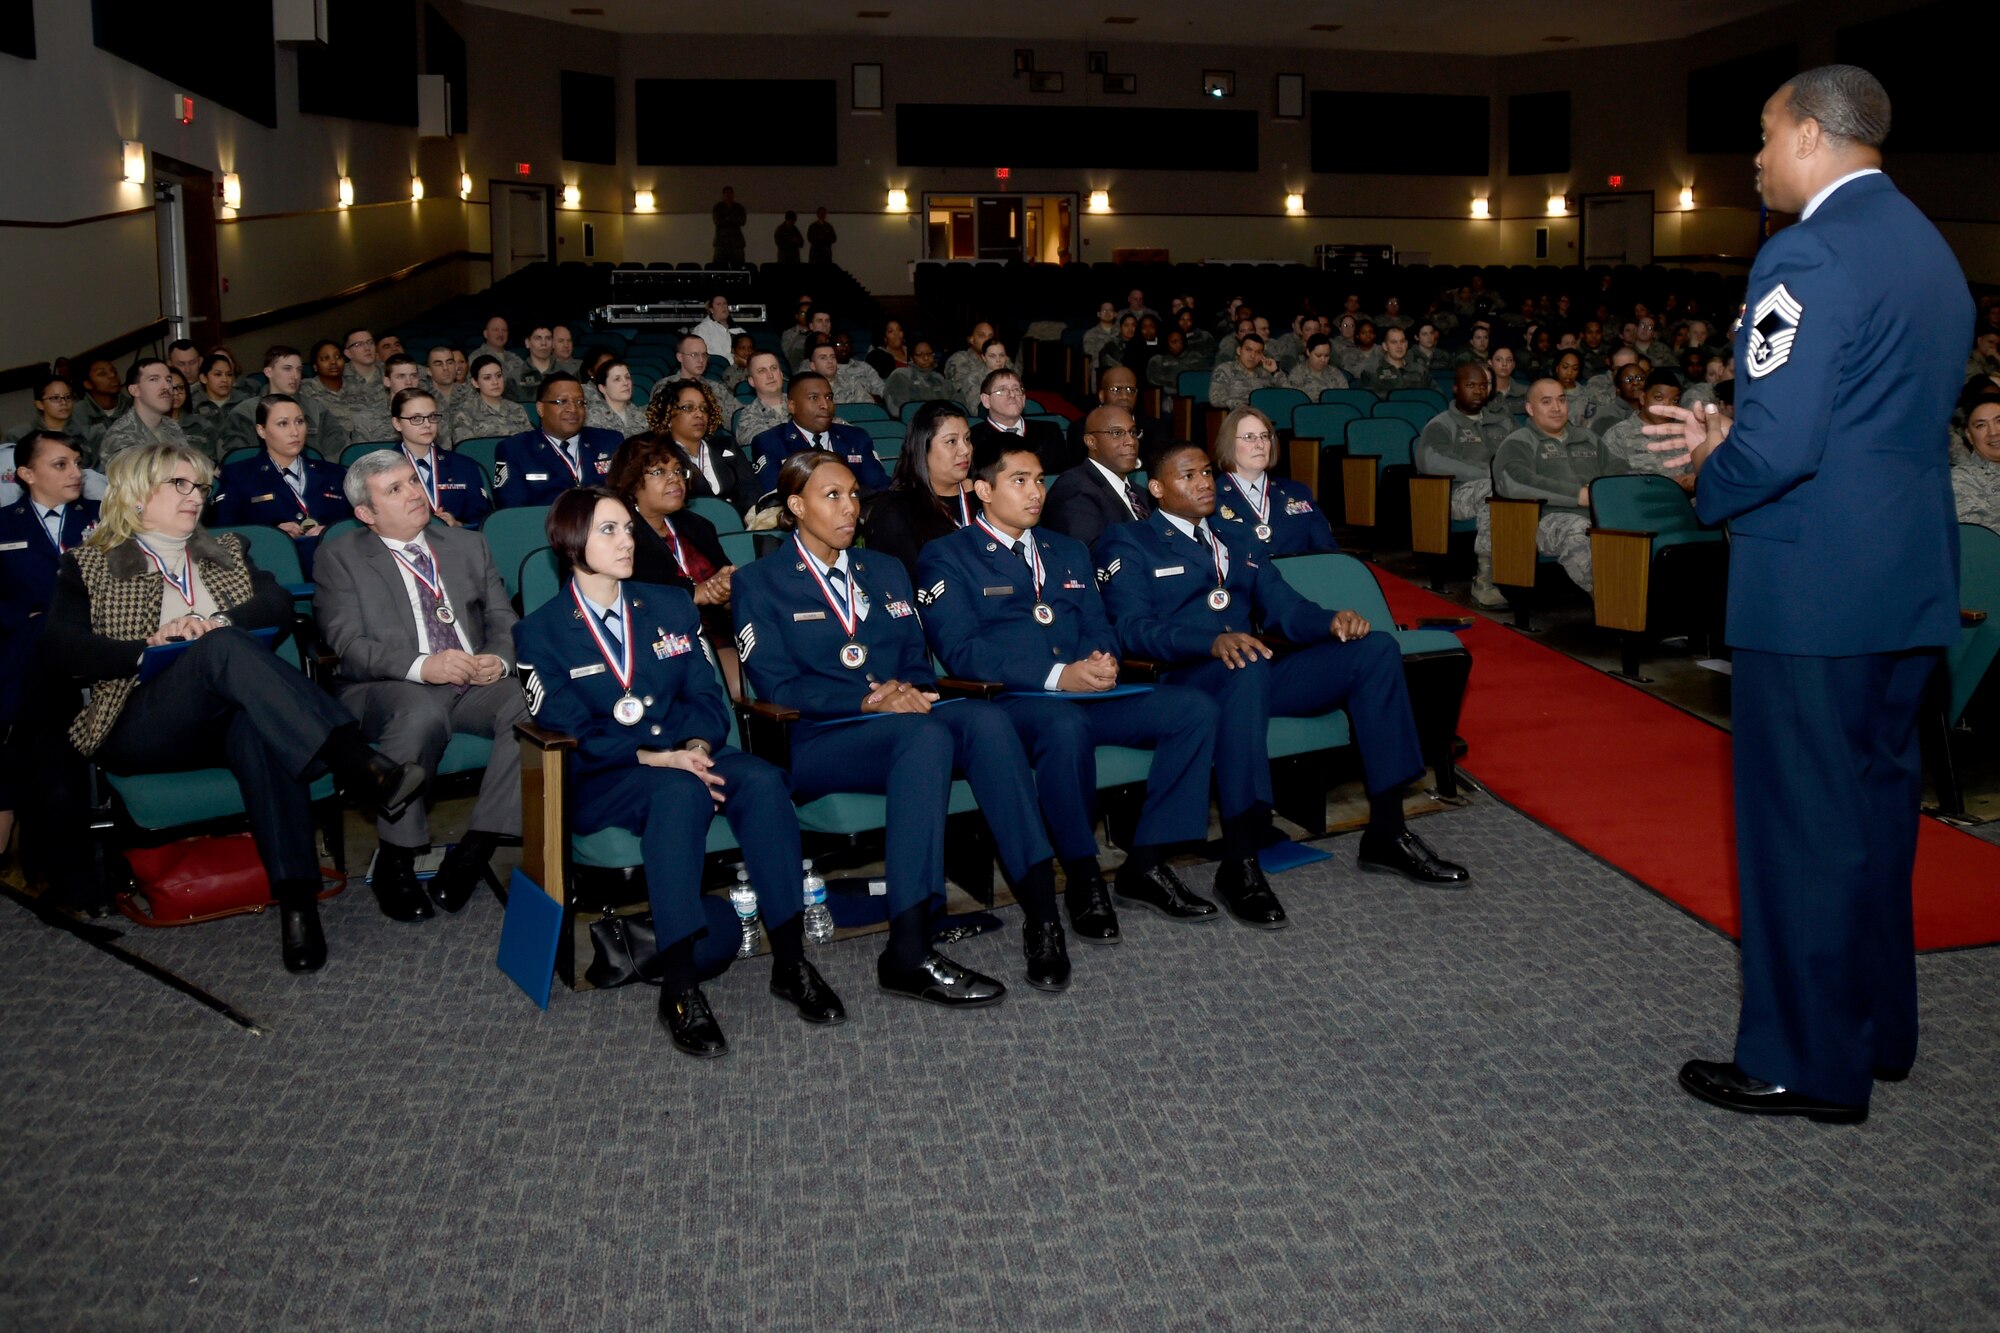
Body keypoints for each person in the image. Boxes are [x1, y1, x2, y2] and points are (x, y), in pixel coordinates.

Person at [1646, 67, 1971, 1126]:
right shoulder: (1928, 247)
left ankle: (1800, 1061)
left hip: (1812, 592)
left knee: (1797, 829)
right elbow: (1862, 426)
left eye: (1760, 133)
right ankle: (1872, 1030)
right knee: (1874, 817)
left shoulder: (1806, 248)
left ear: (1811, 135)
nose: (1750, 157)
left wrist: (1705, 474)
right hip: (1903, 582)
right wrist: (1739, 441)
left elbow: (1783, 444)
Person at [39, 443, 425, 971]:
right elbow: (59, 649)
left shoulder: (225, 549)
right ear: (135, 493)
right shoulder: (90, 565)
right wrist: (147, 647)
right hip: (140, 721)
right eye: (179, 484)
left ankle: (297, 904)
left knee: (256, 728)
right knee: (218, 649)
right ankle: (357, 760)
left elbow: (278, 603)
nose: (194, 496)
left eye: (198, 486)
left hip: (226, 720)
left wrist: (215, 618)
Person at [732, 451, 1069, 999]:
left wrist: (907, 689)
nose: (850, 509)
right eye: (832, 496)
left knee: (985, 720)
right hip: (820, 737)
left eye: (854, 495)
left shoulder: (883, 569)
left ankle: (1041, 915)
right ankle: (908, 951)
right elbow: (778, 688)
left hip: (902, 721)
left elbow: (916, 661)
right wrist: (867, 701)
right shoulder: (760, 581)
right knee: (927, 735)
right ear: (796, 506)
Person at [516, 489, 841, 1054]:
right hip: (610, 775)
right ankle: (682, 989)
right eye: (609, 531)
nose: (627, 542)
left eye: (627, 528)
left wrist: (691, 743)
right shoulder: (539, 632)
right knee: (677, 794)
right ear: (570, 543)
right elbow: (570, 729)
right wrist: (653, 756)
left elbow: (707, 695)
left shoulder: (669, 606)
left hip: (690, 752)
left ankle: (791, 960)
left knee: (762, 780)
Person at [1094, 439, 1467, 926]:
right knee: (1245, 663)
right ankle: (1241, 861)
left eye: (1207, 472)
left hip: (1250, 675)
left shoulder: (1236, 539)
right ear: (1158, 489)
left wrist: (1333, 621)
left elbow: (1287, 609)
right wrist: (1207, 643)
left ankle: (1388, 832)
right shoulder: (1129, 542)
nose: (1204, 482)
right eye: (1188, 476)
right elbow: (1130, 630)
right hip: (1183, 680)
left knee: (1374, 650)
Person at [918, 434, 1222, 942]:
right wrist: (1058, 677)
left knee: (1193, 708)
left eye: (1039, 480)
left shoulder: (1068, 549)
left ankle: (1146, 861)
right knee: (1065, 725)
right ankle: (1083, 874)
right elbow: (962, 650)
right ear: (983, 490)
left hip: (1086, 690)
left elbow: (1099, 623)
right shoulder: (949, 555)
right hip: (1013, 702)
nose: (1036, 492)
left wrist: (1102, 659)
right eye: (1019, 481)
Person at [315, 451, 523, 921]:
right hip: (386, 686)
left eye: (413, 481)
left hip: (471, 681)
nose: (414, 493)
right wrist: (422, 666)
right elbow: (347, 644)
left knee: (529, 705)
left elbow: (501, 617)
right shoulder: (341, 556)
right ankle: (397, 860)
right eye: (395, 489)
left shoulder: (466, 545)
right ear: (365, 514)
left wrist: (499, 658)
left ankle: (476, 847)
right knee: (420, 712)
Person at [0, 431, 99, 860]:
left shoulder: (104, 517)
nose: (76, 472)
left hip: (99, 639)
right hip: (25, 647)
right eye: (61, 464)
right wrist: (24, 619)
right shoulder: (3, 525)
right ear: (25, 474)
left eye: (77, 462)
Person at [607, 432, 739, 690]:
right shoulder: (621, 537)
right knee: (736, 682)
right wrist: (695, 593)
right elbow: (632, 596)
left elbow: (725, 580)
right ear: (632, 482)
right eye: (659, 472)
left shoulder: (698, 526)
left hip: (717, 630)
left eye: (678, 471)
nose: (674, 479)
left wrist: (726, 591)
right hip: (658, 640)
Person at [1486, 378, 1621, 594]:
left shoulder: (1587, 437)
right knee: (1578, 530)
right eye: (1546, 402)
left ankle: (1642, 599)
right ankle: (1615, 602)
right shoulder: (1518, 442)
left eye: (1561, 400)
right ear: (1530, 408)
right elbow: (1516, 482)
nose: (1557, 408)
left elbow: (1619, 468)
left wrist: (1601, 490)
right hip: (1546, 520)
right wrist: (1577, 495)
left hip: (1601, 513)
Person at [211, 395, 352, 573]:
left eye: (300, 421)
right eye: (283, 424)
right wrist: (272, 535)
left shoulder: (334, 474)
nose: (295, 431)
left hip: (334, 570)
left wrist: (331, 532)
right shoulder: (239, 476)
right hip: (270, 571)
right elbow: (224, 535)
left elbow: (355, 526)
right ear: (261, 431)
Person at [1417, 364, 1512, 607]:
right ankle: (1484, 579)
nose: (1478, 391)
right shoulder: (1441, 425)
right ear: (1456, 388)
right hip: (1455, 494)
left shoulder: (1502, 423)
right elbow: (1432, 463)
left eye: (1483, 385)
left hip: (1505, 487)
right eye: (1471, 385)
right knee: (1494, 494)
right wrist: (1490, 474)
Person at [864, 401, 981, 580]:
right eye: (951, 441)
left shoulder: (985, 496)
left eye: (967, 438)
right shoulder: (895, 511)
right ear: (922, 447)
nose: (965, 450)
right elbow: (898, 585)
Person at [1210, 407, 1336, 562]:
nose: (1260, 444)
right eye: (1249, 437)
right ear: (1229, 443)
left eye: (1265, 436)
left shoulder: (1297, 492)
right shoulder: (1210, 497)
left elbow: (1328, 553)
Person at [493, 373, 622, 508]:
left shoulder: (610, 442)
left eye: (579, 402)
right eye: (562, 402)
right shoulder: (516, 449)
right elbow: (512, 512)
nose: (573, 409)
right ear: (541, 408)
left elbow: (627, 495)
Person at [747, 371, 890, 493]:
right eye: (814, 398)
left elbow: (879, 487)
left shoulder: (856, 437)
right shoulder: (770, 442)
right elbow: (775, 497)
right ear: (792, 406)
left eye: (829, 397)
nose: (825, 405)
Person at [649, 378, 760, 516]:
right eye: (689, 408)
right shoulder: (658, 456)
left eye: (704, 409)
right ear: (668, 414)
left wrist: (751, 517)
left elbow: (749, 489)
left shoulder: (727, 446)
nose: (699, 414)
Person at [1043, 403, 1148, 547]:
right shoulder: (1074, 489)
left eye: (1133, 432)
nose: (1131, 441)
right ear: (1091, 442)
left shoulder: (1140, 493)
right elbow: (1091, 556)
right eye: (1117, 433)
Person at [389, 387, 491, 527]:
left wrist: (458, 525)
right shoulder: (382, 470)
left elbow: (484, 521)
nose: (427, 424)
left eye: (432, 417)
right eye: (416, 418)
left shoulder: (464, 466)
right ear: (397, 423)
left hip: (455, 544)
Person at [225, 346, 349, 461]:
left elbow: (339, 449)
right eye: (287, 369)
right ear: (268, 372)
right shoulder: (247, 411)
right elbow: (234, 456)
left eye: (299, 370)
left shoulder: (315, 408)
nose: (295, 376)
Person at [1598, 370, 1691, 487]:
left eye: (1675, 401)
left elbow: (1698, 473)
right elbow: (1611, 484)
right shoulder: (1619, 435)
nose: (1668, 406)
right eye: (1659, 398)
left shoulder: (1684, 433)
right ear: (1642, 398)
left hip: (1683, 502)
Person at [968, 368, 1068, 474]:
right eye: (1002, 390)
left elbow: (1066, 478)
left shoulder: (1050, 432)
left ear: (1024, 398)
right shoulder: (972, 439)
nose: (1012, 395)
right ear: (986, 400)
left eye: (1016, 389)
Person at [1062, 367, 1158, 471]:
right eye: (1116, 390)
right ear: (1102, 396)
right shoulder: (1083, 428)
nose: (1125, 396)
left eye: (1131, 390)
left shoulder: (1153, 427)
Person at [98, 359, 188, 464]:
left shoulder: (171, 425)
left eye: (168, 380)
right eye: (154, 379)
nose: (167, 386)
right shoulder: (121, 436)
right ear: (134, 390)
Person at [453, 353, 534, 446]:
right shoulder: (465, 413)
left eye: (499, 376)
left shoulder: (517, 409)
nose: (495, 382)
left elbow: (531, 442)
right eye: (487, 378)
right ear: (475, 383)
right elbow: (466, 449)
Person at [1951, 394, 2000, 526]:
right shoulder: (1962, 480)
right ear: (1969, 436)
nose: (1994, 432)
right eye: (1981, 425)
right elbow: (1975, 540)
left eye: (1999, 421)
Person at [731, 350, 791, 449]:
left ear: (781, 374)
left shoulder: (801, 405)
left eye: (773, 368)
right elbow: (765, 445)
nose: (770, 375)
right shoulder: (747, 418)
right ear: (751, 381)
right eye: (762, 371)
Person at [1208, 333, 1281, 412]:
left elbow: (1289, 397)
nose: (1253, 356)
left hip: (1265, 418)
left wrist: (1275, 372)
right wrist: (1248, 405)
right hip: (1236, 417)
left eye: (1258, 352)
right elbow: (1216, 399)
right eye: (1248, 350)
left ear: (1262, 356)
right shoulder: (1225, 370)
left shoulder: (1266, 373)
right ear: (1239, 351)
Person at [68, 358, 124, 455]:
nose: (112, 376)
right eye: (102, 374)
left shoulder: (133, 406)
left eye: (114, 371)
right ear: (88, 384)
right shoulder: (77, 414)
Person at [883, 340, 951, 418]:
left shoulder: (939, 378)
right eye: (919, 355)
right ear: (911, 358)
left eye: (929, 354)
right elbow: (897, 410)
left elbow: (955, 403)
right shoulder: (901, 375)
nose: (926, 358)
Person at [584, 359, 649, 439]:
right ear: (602, 388)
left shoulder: (641, 416)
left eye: (627, 377)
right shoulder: (592, 419)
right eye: (617, 379)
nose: (625, 383)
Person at [1364, 327, 1429, 396]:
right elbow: (1367, 400)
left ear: (1406, 344)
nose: (1399, 346)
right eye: (1394, 342)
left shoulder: (1420, 370)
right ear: (1385, 346)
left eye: (1402, 341)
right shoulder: (1371, 371)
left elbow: (1434, 396)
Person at [1287, 335, 1351, 401]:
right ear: (1308, 352)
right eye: (1318, 355)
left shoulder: (1335, 373)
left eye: (1326, 356)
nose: (1323, 360)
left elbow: (1345, 397)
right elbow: (1295, 399)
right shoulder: (1297, 373)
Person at [830, 333, 885, 405]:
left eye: (847, 344)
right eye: (838, 344)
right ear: (831, 347)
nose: (844, 348)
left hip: (869, 408)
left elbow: (881, 391)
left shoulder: (864, 367)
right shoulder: (828, 369)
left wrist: (867, 396)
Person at [476, 316, 527, 384]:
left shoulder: (515, 359)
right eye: (496, 330)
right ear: (486, 334)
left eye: (504, 330)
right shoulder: (475, 358)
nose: (500, 334)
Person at [691, 295, 738, 361]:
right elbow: (708, 355)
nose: (723, 306)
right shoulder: (702, 329)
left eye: (725, 303)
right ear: (711, 310)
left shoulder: (739, 330)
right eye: (718, 304)